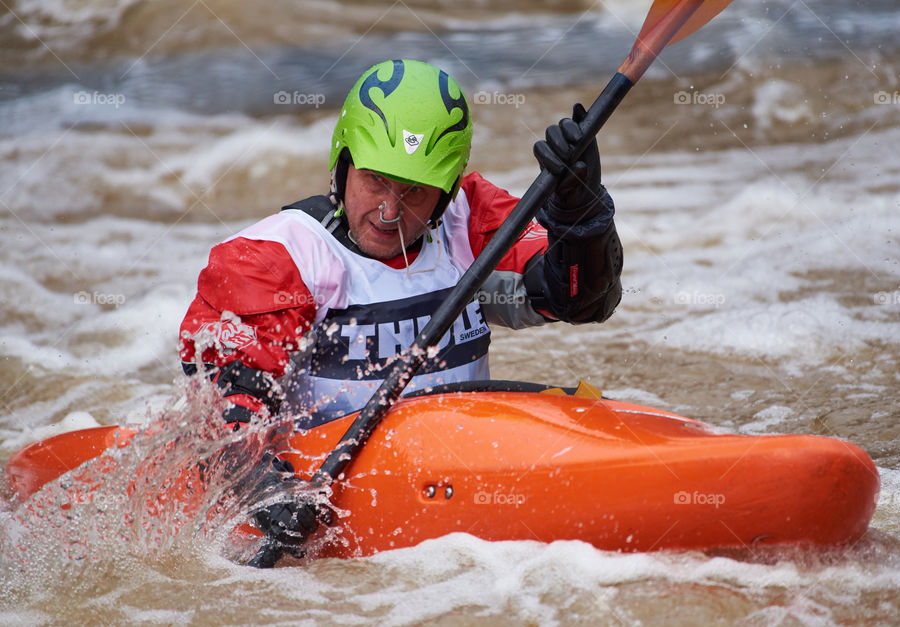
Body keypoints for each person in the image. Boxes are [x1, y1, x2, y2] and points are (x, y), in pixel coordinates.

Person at [178, 59, 622, 556]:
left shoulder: (467, 222)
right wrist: (267, 491)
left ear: (447, 188)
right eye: (376, 181)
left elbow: (580, 299)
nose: (390, 211)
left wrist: (581, 219)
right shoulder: (277, 258)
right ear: (343, 163)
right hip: (324, 492)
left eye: (413, 190)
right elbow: (220, 414)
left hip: (464, 474)